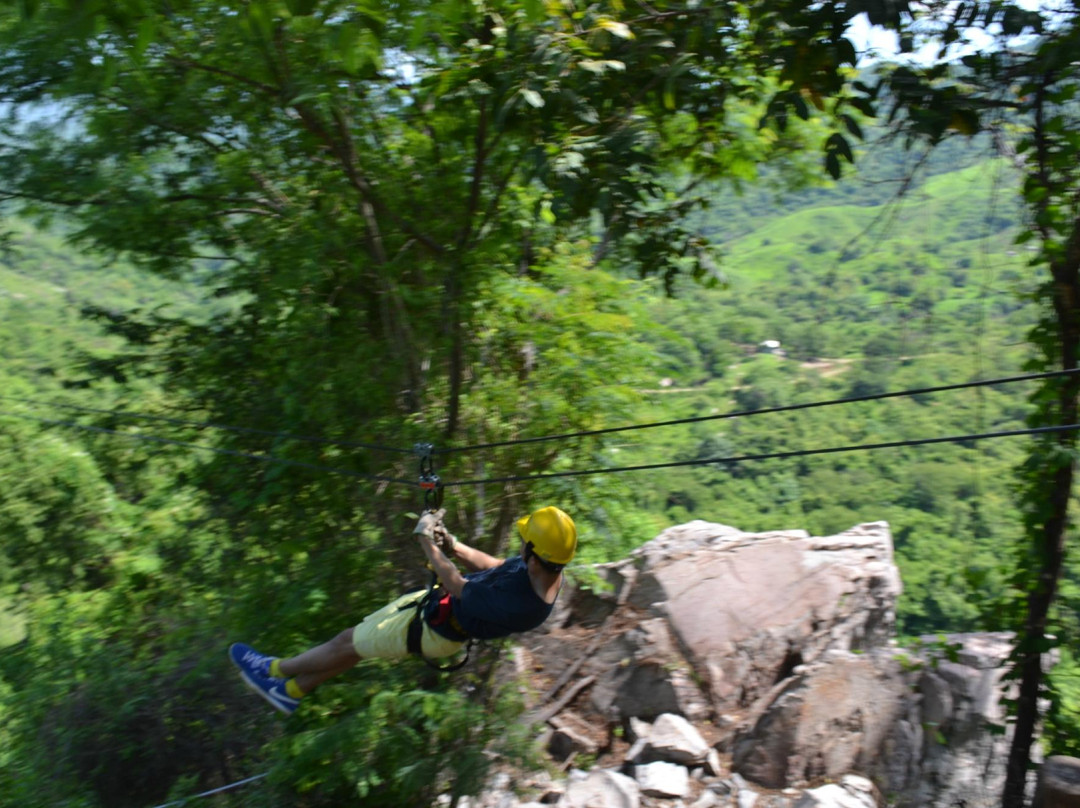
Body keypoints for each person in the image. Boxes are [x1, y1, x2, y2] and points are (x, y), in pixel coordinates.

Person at [229, 505, 577, 715]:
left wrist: (426, 540)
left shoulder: (523, 607)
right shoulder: (542, 570)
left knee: (347, 643)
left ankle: (273, 669)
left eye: (525, 542)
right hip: (437, 610)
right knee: (354, 646)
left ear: (535, 553)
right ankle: (291, 692)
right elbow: (497, 564)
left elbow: (458, 584)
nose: (520, 546)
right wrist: (452, 544)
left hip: (435, 629)